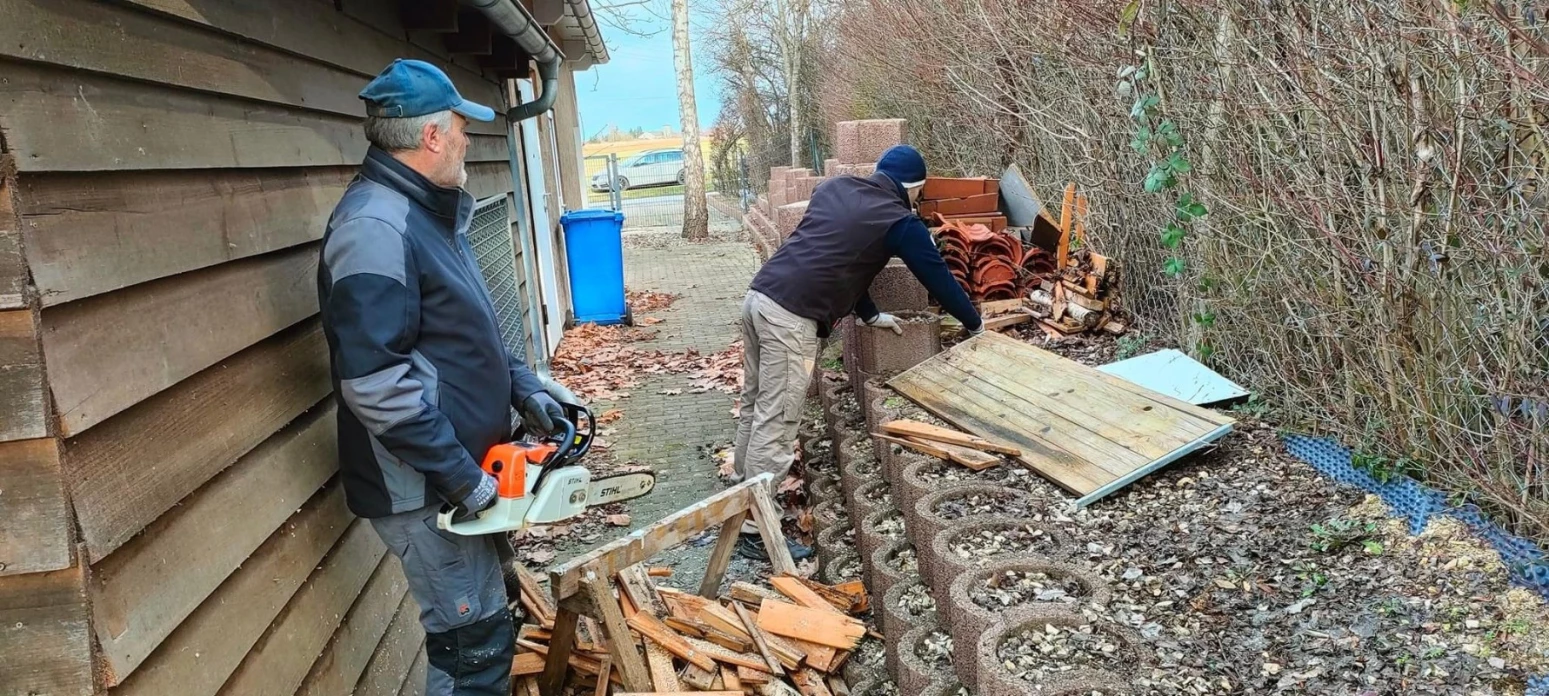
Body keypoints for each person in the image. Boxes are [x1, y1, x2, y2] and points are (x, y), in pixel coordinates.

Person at [317, 59, 569, 696]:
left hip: (456, 475)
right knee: (472, 652)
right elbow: (376, 383)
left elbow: (466, 334)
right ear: (431, 137)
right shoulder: (375, 228)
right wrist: (461, 478)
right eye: (460, 125)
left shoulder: (428, 212)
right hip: (422, 488)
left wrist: (524, 385)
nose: (466, 137)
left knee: (491, 621)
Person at [733, 144, 983, 560]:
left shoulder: (835, 189)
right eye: (920, 194)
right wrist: (974, 324)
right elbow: (936, 276)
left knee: (755, 405)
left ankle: (739, 500)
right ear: (914, 188)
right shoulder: (899, 220)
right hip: (790, 318)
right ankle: (755, 528)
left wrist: (868, 314)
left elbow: (839, 257)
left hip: (759, 297)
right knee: (776, 421)